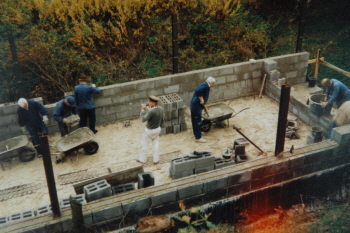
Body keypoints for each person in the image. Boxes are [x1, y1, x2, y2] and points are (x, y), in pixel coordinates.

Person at [137, 96, 164, 164]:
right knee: (155, 145)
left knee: (144, 144)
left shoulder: (151, 112)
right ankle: (156, 160)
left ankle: (143, 159)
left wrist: (143, 110)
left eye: (149, 102)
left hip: (149, 131)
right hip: (157, 129)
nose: (148, 103)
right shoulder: (160, 109)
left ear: (153, 103)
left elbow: (143, 119)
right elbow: (162, 119)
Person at [190, 76, 216, 143]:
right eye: (213, 83)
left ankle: (198, 132)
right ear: (210, 82)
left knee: (196, 120)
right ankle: (198, 138)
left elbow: (202, 101)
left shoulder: (204, 85)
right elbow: (199, 91)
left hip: (196, 105)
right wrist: (201, 99)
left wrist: (205, 108)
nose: (213, 85)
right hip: (196, 106)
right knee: (197, 121)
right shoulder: (205, 86)